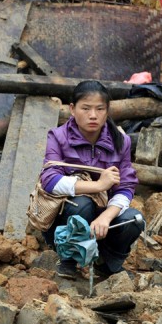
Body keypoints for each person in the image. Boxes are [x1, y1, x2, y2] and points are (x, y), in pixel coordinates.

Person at [40, 80, 144, 279]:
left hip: (103, 223)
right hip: (66, 218)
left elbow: (126, 186)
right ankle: (68, 259)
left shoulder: (121, 142)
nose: (93, 115)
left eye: (99, 109)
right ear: (72, 109)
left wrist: (106, 217)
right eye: (85, 108)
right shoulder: (58, 137)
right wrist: (98, 185)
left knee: (133, 219)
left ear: (107, 111)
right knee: (81, 205)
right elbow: (50, 181)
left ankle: (107, 264)